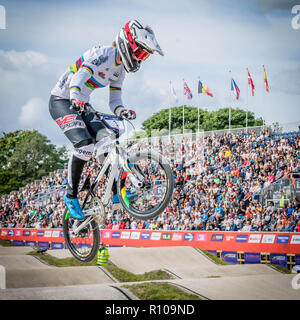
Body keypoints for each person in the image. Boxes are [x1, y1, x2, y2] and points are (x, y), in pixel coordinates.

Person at [49, 20, 164, 219]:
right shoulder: (101, 54)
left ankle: (114, 194)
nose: (140, 59)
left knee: (107, 141)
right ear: (127, 44)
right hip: (62, 99)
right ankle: (71, 195)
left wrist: (122, 111)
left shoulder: (120, 71)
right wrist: (75, 97)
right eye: (140, 53)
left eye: (144, 56)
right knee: (85, 145)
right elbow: (78, 78)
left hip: (82, 103)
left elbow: (115, 100)